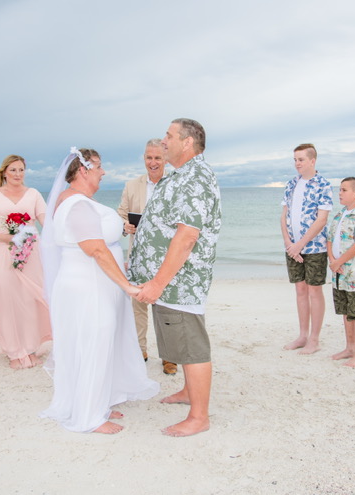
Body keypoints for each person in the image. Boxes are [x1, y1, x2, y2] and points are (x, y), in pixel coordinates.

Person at [40, 147, 159, 434]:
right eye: (99, 167)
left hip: (92, 285)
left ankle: (98, 402)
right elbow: (95, 249)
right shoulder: (78, 205)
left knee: (99, 344)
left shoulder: (75, 201)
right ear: (83, 170)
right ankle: (89, 416)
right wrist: (127, 286)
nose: (103, 172)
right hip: (88, 288)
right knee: (93, 345)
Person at [129, 119, 222, 437]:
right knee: (178, 341)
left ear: (187, 142)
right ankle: (187, 392)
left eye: (169, 136)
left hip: (180, 282)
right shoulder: (181, 174)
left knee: (192, 345)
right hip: (169, 282)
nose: (164, 140)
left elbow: (186, 237)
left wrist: (157, 283)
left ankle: (199, 417)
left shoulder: (195, 176)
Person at [0, 155, 52, 369]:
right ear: (4, 172)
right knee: (7, 301)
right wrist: (7, 238)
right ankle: (13, 351)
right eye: (13, 170)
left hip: (31, 253)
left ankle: (30, 348)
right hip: (2, 252)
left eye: (21, 170)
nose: (18, 174)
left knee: (30, 300)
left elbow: (46, 221)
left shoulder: (34, 194)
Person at [117, 139, 178, 375]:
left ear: (166, 159)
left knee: (166, 308)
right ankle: (139, 350)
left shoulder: (176, 184)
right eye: (149, 157)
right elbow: (121, 215)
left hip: (168, 257)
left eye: (158, 158)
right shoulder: (132, 186)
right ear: (144, 158)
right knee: (138, 305)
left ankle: (170, 356)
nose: (153, 162)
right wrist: (125, 227)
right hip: (138, 257)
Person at [280, 143, 333, 354]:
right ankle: (302, 335)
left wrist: (301, 244)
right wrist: (289, 244)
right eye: (295, 160)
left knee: (314, 291)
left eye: (301, 159)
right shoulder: (291, 184)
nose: (297, 164)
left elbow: (322, 219)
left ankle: (314, 339)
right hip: (292, 248)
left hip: (315, 248)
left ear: (312, 161)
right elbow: (283, 216)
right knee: (300, 290)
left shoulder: (323, 185)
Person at [326, 177, 355, 368]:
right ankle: (350, 348)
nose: (340, 193)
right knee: (346, 312)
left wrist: (339, 261)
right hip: (339, 274)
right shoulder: (339, 215)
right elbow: (329, 238)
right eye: (339, 189)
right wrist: (332, 261)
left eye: (343, 190)